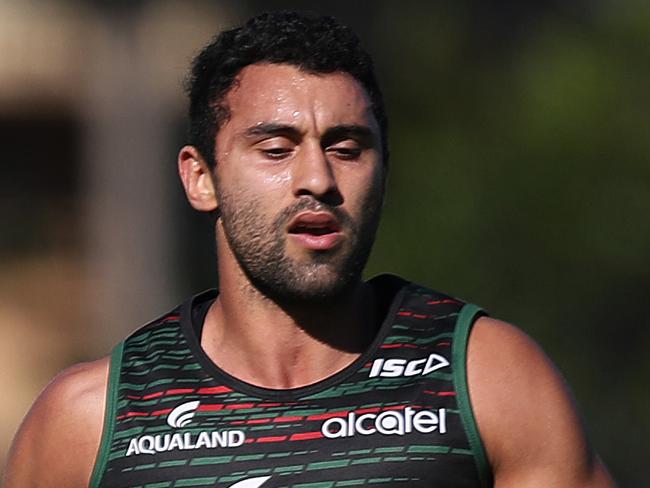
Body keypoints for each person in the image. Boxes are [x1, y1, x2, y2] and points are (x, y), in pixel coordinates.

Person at [3, 11, 616, 488]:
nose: (318, 179)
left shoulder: (487, 380)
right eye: (276, 149)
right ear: (201, 177)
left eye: (347, 148)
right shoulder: (89, 424)